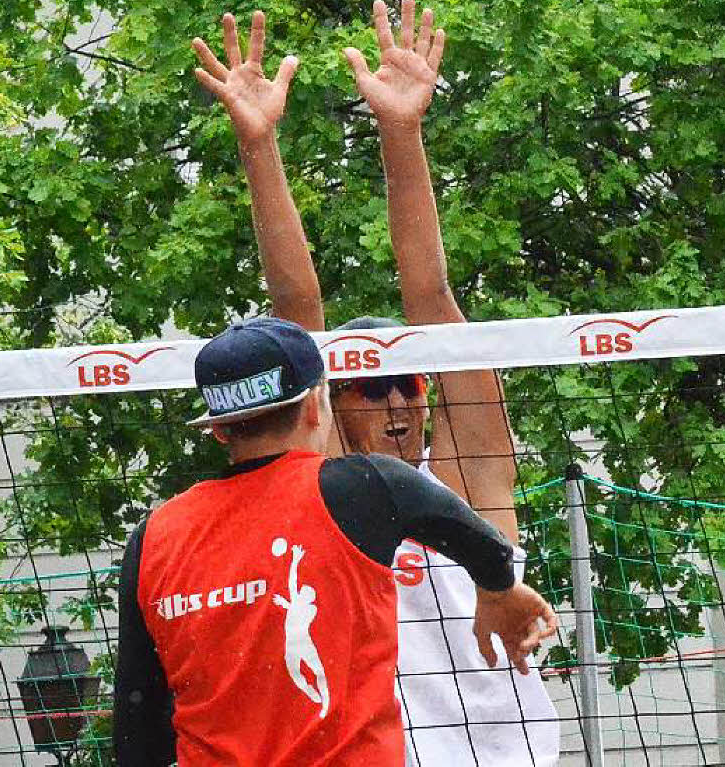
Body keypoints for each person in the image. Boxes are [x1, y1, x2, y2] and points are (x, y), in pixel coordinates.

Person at [191, 4, 561, 764]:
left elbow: (430, 299)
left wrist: (402, 130)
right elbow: (300, 314)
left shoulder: (467, 478)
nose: (396, 400)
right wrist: (257, 143)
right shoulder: (327, 486)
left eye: (406, 383)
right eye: (369, 386)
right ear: (327, 405)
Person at [112, 317, 557, 765]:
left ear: (219, 429)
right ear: (315, 405)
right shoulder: (361, 489)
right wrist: (498, 585)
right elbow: (462, 527)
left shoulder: (152, 538)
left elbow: (137, 722)